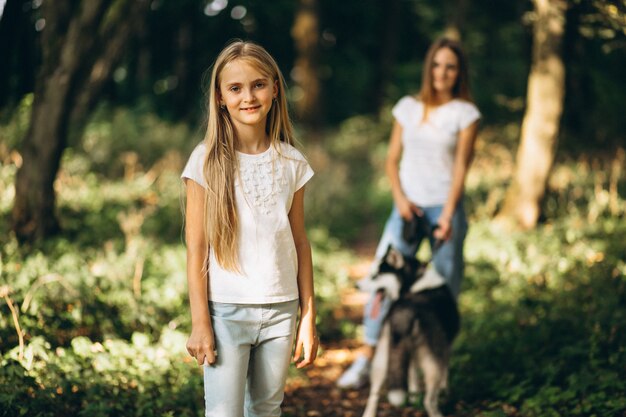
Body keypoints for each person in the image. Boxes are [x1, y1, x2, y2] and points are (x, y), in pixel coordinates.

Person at [181, 40, 319, 417]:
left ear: (275, 88)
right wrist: (199, 323)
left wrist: (307, 317)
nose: (248, 96)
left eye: (258, 84)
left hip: (281, 311)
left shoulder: (292, 162)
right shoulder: (205, 162)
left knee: (266, 410)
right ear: (220, 97)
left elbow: (300, 242)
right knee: (224, 413)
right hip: (225, 313)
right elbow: (196, 250)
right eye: (235, 88)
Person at [337, 37, 481, 389]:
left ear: (459, 72)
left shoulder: (465, 113)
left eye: (450, 66)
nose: (442, 73)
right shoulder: (408, 108)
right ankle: (367, 359)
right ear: (428, 67)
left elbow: (461, 167)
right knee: (383, 279)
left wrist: (447, 215)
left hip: (445, 210)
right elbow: (391, 160)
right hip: (407, 208)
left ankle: (434, 369)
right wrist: (401, 200)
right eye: (436, 65)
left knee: (443, 290)